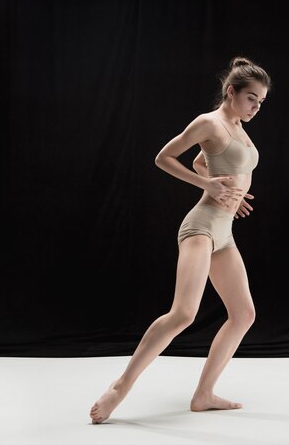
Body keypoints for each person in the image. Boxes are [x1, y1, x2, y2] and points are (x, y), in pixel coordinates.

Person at [89, 56, 271, 423]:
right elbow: (164, 157)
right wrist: (207, 187)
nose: (256, 106)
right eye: (252, 97)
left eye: (261, 101)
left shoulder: (237, 127)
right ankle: (119, 387)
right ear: (231, 92)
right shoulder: (210, 122)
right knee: (184, 313)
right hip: (201, 228)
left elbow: (207, 162)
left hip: (224, 233)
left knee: (244, 314)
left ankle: (204, 394)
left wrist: (228, 195)